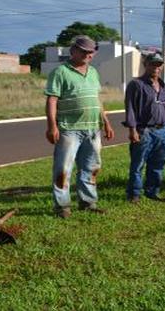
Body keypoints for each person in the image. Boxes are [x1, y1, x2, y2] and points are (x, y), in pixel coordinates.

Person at [44, 35, 114, 218]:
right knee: (63, 169)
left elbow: (96, 100)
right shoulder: (60, 72)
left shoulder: (93, 72)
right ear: (73, 51)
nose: (87, 55)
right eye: (83, 51)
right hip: (69, 129)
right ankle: (62, 207)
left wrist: (106, 122)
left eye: (90, 52)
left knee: (91, 168)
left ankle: (88, 202)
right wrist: (52, 126)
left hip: (93, 129)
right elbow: (52, 99)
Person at [122, 52, 165, 204]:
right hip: (144, 130)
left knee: (158, 163)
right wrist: (132, 129)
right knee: (138, 164)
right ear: (145, 65)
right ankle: (134, 194)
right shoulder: (136, 84)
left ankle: (152, 191)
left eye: (159, 64)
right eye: (152, 64)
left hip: (162, 130)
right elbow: (130, 108)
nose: (156, 67)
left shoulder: (163, 86)